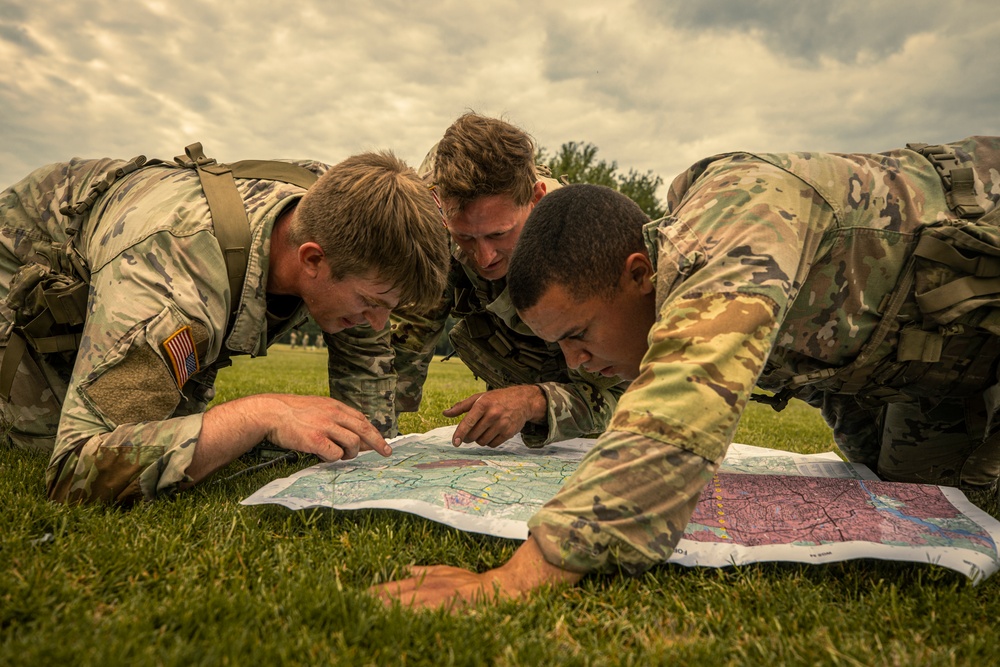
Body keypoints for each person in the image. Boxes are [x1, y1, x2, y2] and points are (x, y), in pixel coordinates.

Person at [374, 135, 1000, 608]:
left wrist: (519, 577)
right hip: (931, 366)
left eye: (579, 336)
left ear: (640, 274)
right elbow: (839, 341)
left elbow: (680, 405)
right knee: (925, 508)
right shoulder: (640, 280)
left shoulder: (735, 215)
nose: (575, 364)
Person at [0, 143, 449, 504]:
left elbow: (365, 348)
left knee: (186, 427)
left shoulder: (345, 209)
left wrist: (375, 450)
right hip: (22, 266)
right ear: (311, 258)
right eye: (371, 302)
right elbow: (76, 469)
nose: (379, 322)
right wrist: (261, 413)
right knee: (60, 441)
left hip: (134, 258)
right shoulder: (173, 280)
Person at [325, 113, 626, 447]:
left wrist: (534, 401)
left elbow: (634, 392)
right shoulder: (430, 217)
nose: (484, 258)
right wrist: (369, 440)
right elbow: (395, 341)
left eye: (499, 235)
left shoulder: (585, 249)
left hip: (587, 399)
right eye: (465, 238)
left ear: (536, 199)